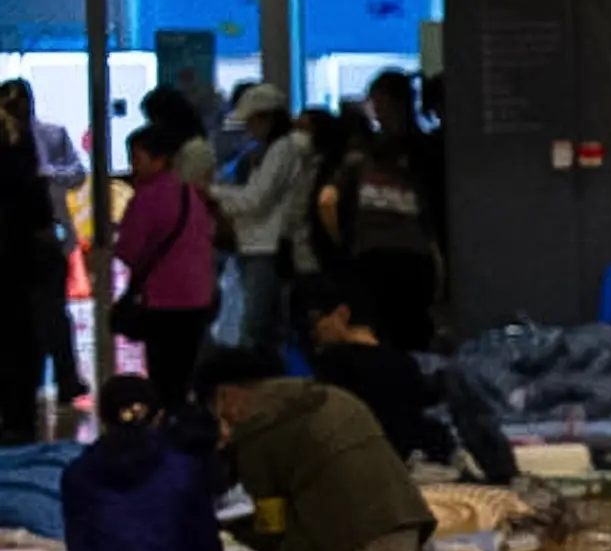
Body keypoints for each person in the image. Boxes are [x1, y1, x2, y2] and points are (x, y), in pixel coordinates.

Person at [207, 345, 436, 551]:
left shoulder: (258, 430)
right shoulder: (334, 397)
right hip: (408, 532)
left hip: (350, 542)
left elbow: (272, 528)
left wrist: (240, 531)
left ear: (226, 396)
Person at [56, 376, 224, 551]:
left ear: (102, 418)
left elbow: (78, 549)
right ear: (159, 417)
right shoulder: (185, 470)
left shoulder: (76, 474)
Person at [316, 69, 442, 348]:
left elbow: (327, 201)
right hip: (414, 255)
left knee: (376, 333)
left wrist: (343, 240)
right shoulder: (425, 149)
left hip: (373, 253)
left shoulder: (361, 154)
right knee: (413, 333)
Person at [100, 130, 222, 411]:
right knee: (186, 371)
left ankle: (167, 429)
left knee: (164, 376)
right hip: (198, 297)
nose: (133, 166)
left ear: (160, 159)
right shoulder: (190, 194)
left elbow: (128, 250)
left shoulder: (147, 198)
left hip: (164, 300)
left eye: (137, 158)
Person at [299, 273, 458, 466]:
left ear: (342, 314)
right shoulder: (406, 364)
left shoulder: (333, 365)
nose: (314, 329)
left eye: (316, 319)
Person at [215, 83, 313, 358]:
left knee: (256, 328)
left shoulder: (282, 150)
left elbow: (254, 200)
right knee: (262, 327)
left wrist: (213, 193)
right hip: (257, 244)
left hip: (264, 246)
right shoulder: (273, 150)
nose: (249, 128)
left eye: (253, 121)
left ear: (268, 118)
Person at [0, 81, 70, 444]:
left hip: (19, 262)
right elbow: (37, 208)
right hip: (23, 263)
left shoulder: (46, 138)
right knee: (25, 343)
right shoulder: (21, 166)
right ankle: (19, 424)